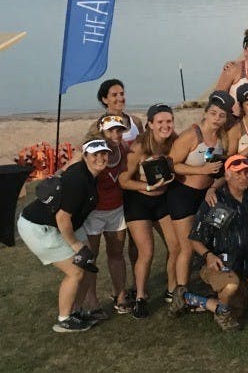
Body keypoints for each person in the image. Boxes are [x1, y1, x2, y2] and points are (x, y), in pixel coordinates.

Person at [18, 139, 109, 332]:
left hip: (57, 225)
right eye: (95, 154)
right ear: (85, 156)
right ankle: (64, 319)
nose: (100, 158)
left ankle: (75, 311)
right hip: (39, 227)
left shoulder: (88, 174)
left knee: (87, 262)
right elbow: (62, 218)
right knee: (75, 271)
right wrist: (76, 246)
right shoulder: (79, 180)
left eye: (104, 153)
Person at [168, 91, 235, 316]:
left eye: (221, 115)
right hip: (183, 194)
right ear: (205, 114)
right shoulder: (192, 135)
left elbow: (224, 169)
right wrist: (200, 170)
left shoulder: (223, 138)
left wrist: (213, 185)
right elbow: (172, 165)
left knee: (210, 242)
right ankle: (180, 295)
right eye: (213, 113)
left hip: (206, 196)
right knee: (187, 246)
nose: (216, 118)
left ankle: (211, 286)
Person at [180, 155, 248, 331]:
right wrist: (208, 256)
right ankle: (221, 314)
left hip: (242, 266)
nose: (243, 177)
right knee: (231, 286)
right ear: (228, 176)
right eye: (237, 173)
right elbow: (196, 239)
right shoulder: (221, 204)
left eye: (246, 172)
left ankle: (189, 298)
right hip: (219, 263)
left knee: (239, 309)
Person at [118, 103, 180, 318]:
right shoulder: (139, 147)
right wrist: (146, 187)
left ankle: (173, 291)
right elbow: (123, 180)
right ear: (150, 124)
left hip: (162, 201)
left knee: (176, 246)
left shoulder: (174, 142)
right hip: (138, 201)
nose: (165, 125)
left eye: (169, 121)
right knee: (147, 252)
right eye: (160, 122)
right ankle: (141, 298)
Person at [80, 116, 131, 319]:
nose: (116, 135)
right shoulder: (91, 149)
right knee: (91, 256)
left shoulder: (123, 148)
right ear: (102, 132)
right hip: (93, 212)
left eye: (119, 130)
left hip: (116, 209)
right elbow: (74, 168)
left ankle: (119, 295)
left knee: (117, 253)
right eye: (111, 131)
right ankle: (92, 301)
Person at [88, 79, 143, 146]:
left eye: (122, 94)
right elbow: (83, 149)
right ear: (105, 100)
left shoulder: (136, 122)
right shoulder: (98, 126)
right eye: (114, 95)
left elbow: (143, 147)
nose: (120, 98)